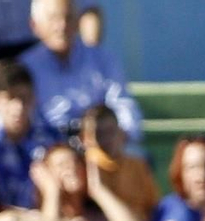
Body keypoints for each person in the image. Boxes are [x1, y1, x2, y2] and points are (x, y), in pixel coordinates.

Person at [18, 0, 141, 139]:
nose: (62, 26)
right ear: (34, 25)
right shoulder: (25, 67)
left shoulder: (103, 60)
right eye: (54, 18)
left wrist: (119, 137)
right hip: (49, 148)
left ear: (78, 22)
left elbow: (123, 107)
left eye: (68, 17)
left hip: (100, 144)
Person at [0, 61, 60, 210]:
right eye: (10, 98)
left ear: (34, 98)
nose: (19, 107)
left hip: (45, 216)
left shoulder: (50, 136)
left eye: (24, 98)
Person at [80, 104, 158, 221]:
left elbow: (153, 207)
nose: (106, 140)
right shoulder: (82, 170)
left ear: (121, 133)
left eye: (110, 132)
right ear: (85, 139)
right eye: (98, 134)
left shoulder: (137, 166)